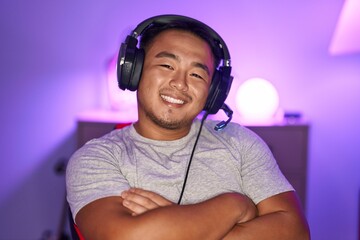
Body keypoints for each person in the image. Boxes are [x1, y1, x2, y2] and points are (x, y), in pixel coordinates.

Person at [66, 14, 310, 240]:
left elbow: (295, 233)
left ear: (214, 92)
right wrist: (235, 205)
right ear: (134, 71)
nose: (180, 83)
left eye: (197, 75)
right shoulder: (96, 158)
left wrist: (175, 225)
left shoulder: (241, 143)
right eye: (167, 66)